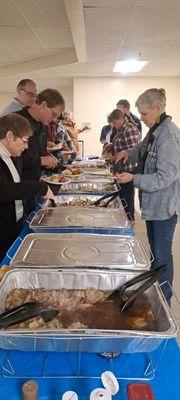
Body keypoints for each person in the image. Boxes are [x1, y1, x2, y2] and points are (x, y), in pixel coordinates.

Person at [115, 88, 180, 301]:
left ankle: (163, 298)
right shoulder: (156, 130)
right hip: (153, 204)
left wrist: (134, 179)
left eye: (144, 114)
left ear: (158, 108)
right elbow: (142, 147)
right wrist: (128, 152)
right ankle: (155, 290)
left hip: (164, 205)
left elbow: (164, 177)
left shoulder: (168, 136)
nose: (141, 118)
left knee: (162, 255)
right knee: (155, 252)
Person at [0, 113, 54, 263]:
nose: (26, 146)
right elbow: (4, 191)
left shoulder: (10, 155)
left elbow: (15, 181)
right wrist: (37, 188)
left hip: (13, 224)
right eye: (25, 141)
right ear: (10, 136)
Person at [17, 88, 65, 213]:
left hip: (35, 186)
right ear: (43, 105)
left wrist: (48, 158)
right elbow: (13, 157)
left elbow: (39, 152)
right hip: (17, 189)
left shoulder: (43, 126)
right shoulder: (18, 120)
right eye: (53, 114)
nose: (54, 120)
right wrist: (41, 160)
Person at [107, 109, 140, 221]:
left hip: (128, 170)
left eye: (115, 123)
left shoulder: (129, 129)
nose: (115, 126)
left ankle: (129, 224)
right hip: (122, 170)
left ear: (121, 119)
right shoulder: (122, 129)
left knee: (127, 201)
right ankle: (124, 221)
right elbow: (121, 146)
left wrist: (115, 157)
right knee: (123, 200)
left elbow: (130, 152)